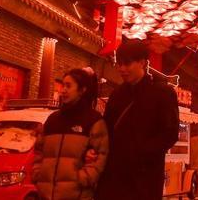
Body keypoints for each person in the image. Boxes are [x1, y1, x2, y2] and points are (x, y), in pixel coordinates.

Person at [96, 40, 179, 200]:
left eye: (127, 64)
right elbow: (106, 129)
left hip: (145, 177)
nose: (122, 69)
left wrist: (140, 153)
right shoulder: (117, 95)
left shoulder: (163, 93)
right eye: (119, 64)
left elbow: (170, 134)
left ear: (142, 62)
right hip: (115, 175)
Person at [33, 68, 108, 200]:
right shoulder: (52, 120)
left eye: (68, 86)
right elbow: (39, 150)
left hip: (76, 195)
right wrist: (37, 173)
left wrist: (84, 178)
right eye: (63, 85)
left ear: (82, 90)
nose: (63, 90)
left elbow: (101, 154)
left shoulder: (93, 120)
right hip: (46, 194)